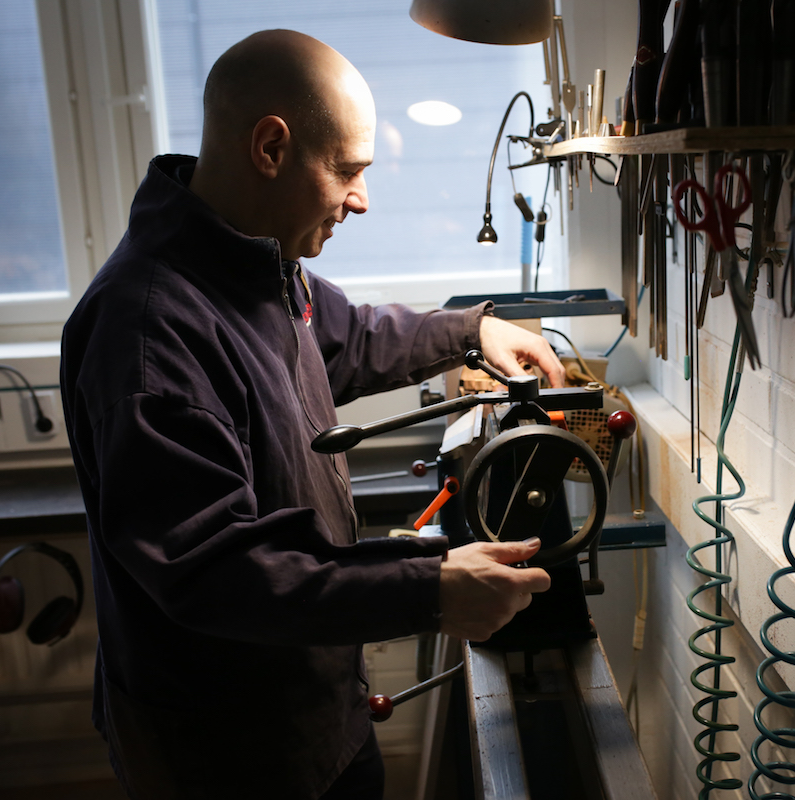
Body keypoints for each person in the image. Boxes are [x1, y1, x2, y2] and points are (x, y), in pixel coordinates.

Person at [60, 29, 561, 800]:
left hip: (317, 707)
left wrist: (472, 331)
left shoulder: (252, 263)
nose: (361, 198)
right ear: (270, 147)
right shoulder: (148, 332)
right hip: (231, 754)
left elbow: (347, 337)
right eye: (348, 170)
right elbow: (220, 570)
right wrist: (429, 589)